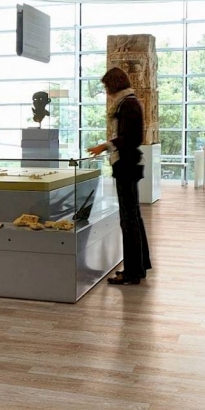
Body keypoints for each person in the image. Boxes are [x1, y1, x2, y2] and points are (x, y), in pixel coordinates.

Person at [88, 67, 151, 285]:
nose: (106, 91)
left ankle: (132, 272)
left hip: (126, 165)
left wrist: (106, 145)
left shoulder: (128, 104)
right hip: (128, 165)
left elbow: (131, 138)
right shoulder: (128, 103)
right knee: (133, 217)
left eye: (107, 86)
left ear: (114, 84)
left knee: (129, 219)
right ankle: (139, 267)